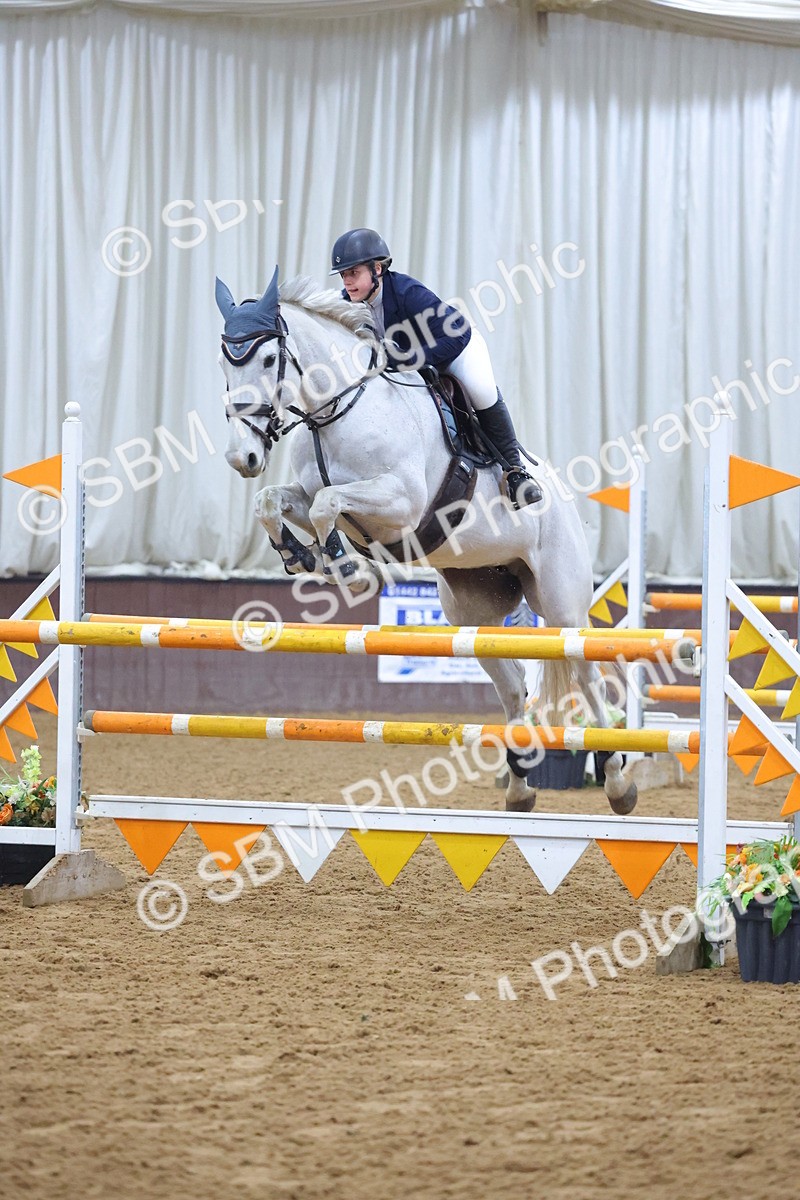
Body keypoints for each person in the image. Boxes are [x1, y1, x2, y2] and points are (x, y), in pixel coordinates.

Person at [330, 228, 543, 508]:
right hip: (409, 364)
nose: (347, 281)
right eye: (344, 275)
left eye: (353, 273)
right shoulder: (346, 304)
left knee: (480, 390)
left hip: (456, 349)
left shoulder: (408, 293)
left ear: (377, 269)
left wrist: (411, 360)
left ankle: (516, 473)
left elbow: (456, 334)